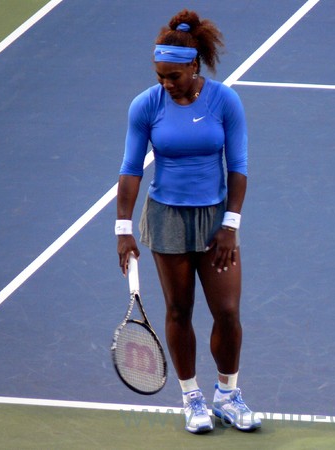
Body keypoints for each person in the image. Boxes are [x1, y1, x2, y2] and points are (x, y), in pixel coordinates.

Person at [115, 9, 261, 434]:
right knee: (179, 310)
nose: (165, 83)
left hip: (215, 219)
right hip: (167, 220)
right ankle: (191, 397)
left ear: (193, 66)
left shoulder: (225, 101)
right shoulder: (146, 106)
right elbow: (130, 171)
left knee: (228, 312)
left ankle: (228, 395)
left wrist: (230, 224)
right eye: (160, 75)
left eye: (173, 76)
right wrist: (123, 229)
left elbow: (238, 166)